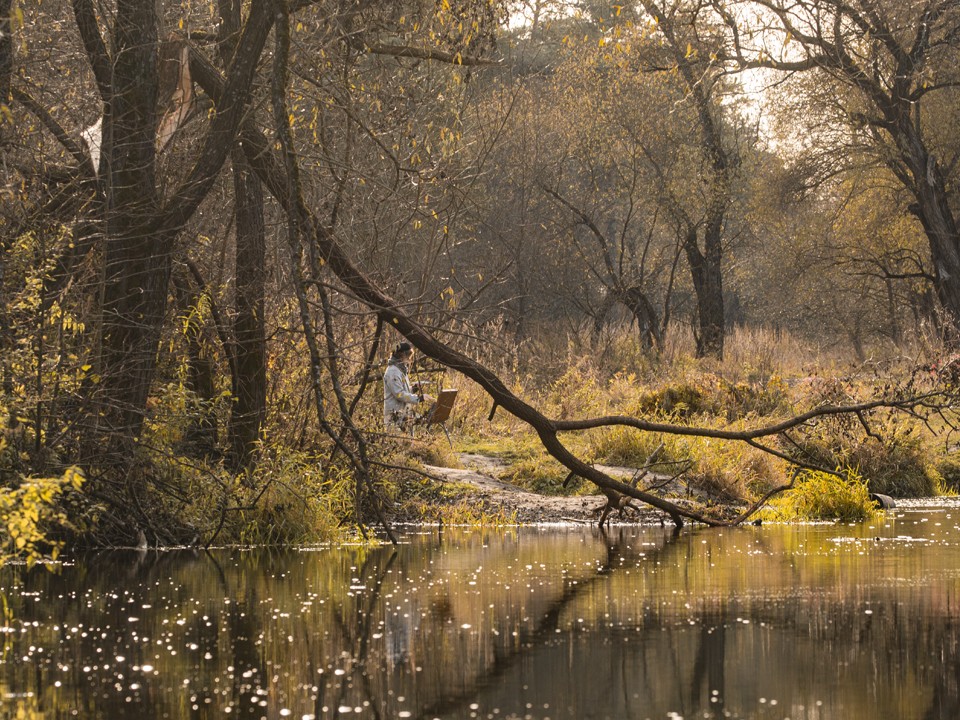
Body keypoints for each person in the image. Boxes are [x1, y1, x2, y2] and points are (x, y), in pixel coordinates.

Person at [383, 342, 424, 429]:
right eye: (408, 355)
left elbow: (402, 389)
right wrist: (418, 398)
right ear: (401, 355)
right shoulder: (393, 371)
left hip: (403, 413)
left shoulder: (400, 369)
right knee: (396, 440)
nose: (409, 358)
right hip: (394, 414)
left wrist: (413, 389)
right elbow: (399, 394)